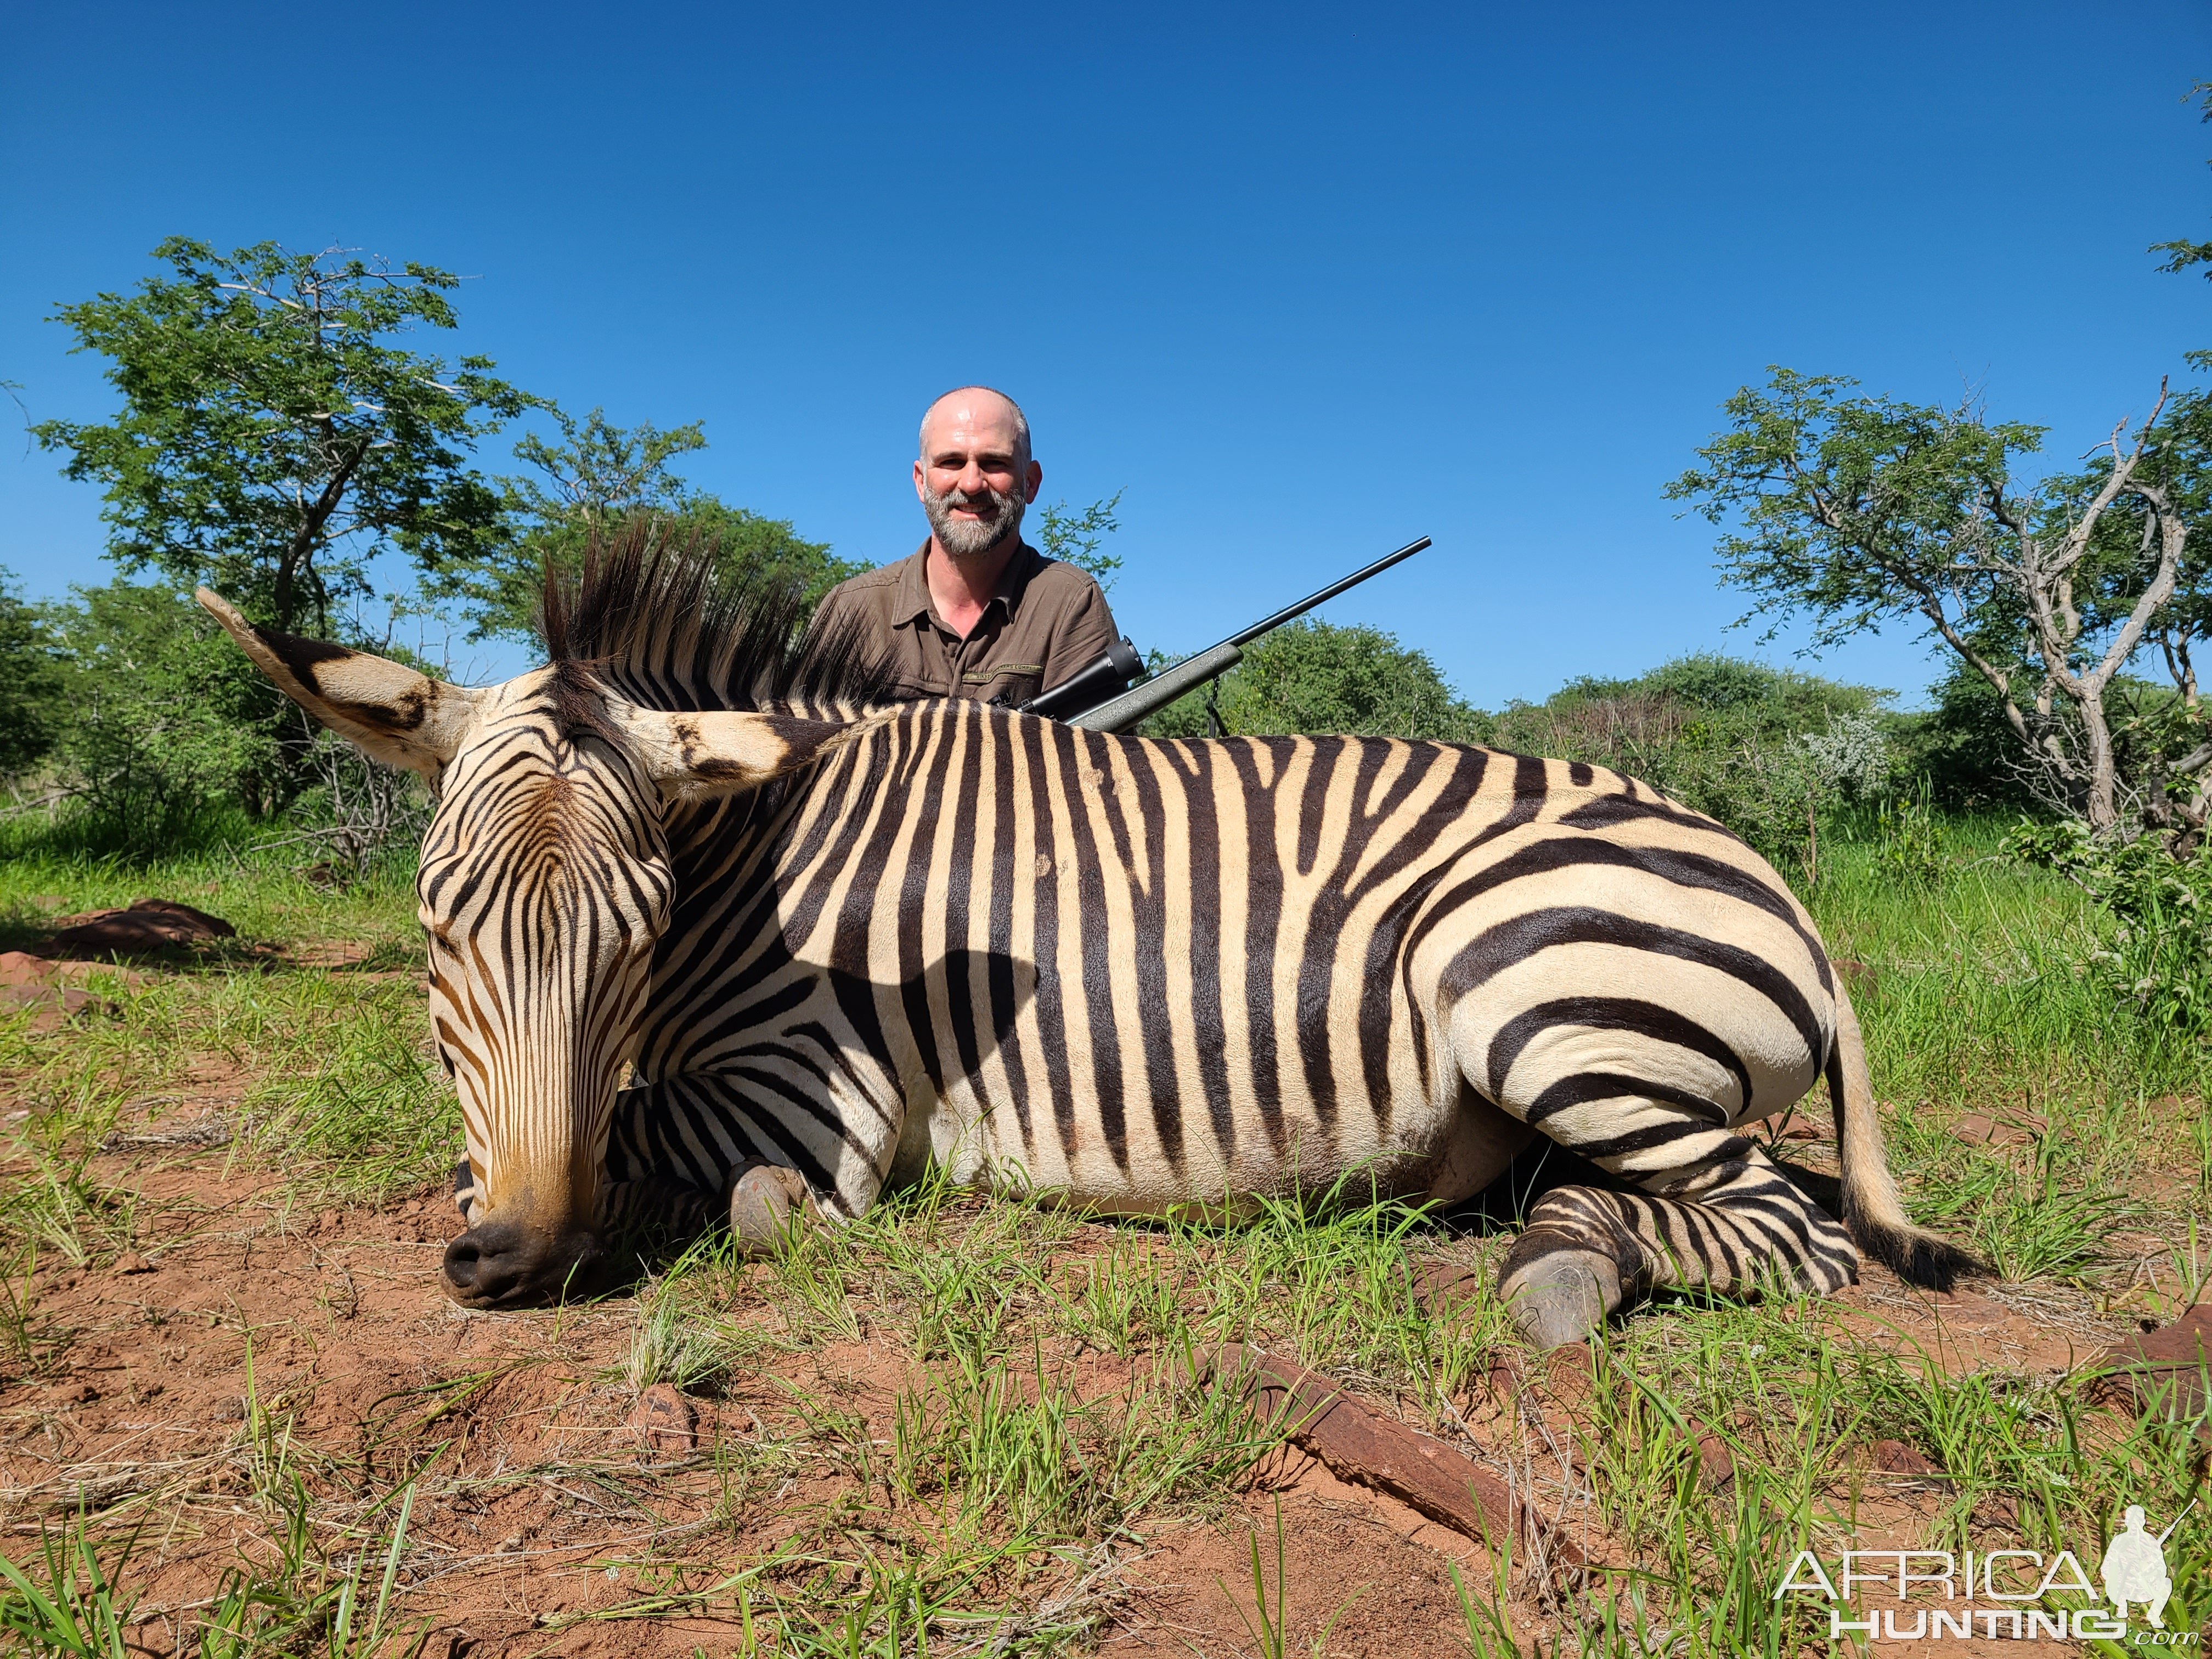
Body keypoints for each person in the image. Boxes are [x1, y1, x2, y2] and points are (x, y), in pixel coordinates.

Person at [812, 386, 1120, 706]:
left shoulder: (1071, 602)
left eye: (994, 462)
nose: (972, 483)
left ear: (1031, 482)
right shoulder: (851, 612)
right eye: (951, 462)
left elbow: (1093, 754)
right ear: (921, 481)